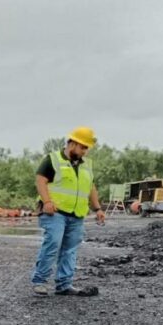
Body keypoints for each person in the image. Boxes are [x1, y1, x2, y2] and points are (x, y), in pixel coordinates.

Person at [30, 127, 106, 297]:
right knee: (53, 243)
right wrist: (47, 201)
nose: (85, 152)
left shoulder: (87, 166)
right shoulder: (53, 159)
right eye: (83, 147)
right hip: (55, 212)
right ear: (72, 143)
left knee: (70, 249)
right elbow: (40, 180)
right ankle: (40, 281)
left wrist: (98, 208)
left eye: (86, 148)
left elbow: (91, 187)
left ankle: (64, 285)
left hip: (76, 214)